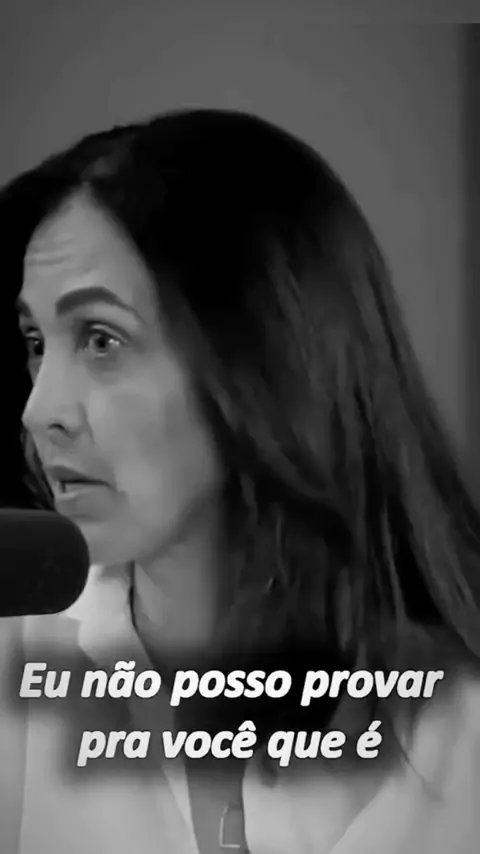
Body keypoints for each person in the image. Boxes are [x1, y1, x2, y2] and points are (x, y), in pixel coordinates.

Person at [0, 108, 479, 854]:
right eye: (35, 341)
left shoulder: (460, 728)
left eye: (100, 338)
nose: (39, 410)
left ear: (265, 359)